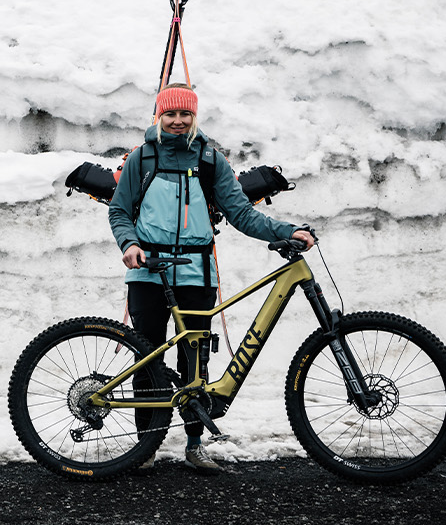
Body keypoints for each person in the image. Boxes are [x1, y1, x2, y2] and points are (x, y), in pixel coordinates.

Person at [107, 83, 316, 475]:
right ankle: (146, 446)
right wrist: (129, 243)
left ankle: (193, 444)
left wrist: (285, 230)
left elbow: (241, 213)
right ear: (159, 116)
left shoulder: (209, 160)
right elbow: (119, 211)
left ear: (194, 117)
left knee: (195, 361)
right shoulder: (142, 158)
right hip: (148, 272)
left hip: (196, 272)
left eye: (185, 114)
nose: (178, 120)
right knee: (147, 358)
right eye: (170, 113)